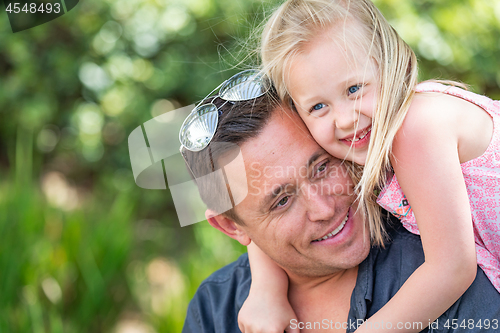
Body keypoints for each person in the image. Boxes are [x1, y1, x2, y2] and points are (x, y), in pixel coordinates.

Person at [242, 0, 500, 332]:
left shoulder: (415, 129)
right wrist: (266, 289)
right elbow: (258, 212)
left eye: (353, 89)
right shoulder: (370, 141)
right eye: (318, 105)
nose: (345, 118)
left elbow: (452, 268)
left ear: (390, 65)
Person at [180, 71, 500, 333]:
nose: (324, 209)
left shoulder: (433, 266)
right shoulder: (215, 310)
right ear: (229, 225)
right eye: (281, 202)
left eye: (321, 168)